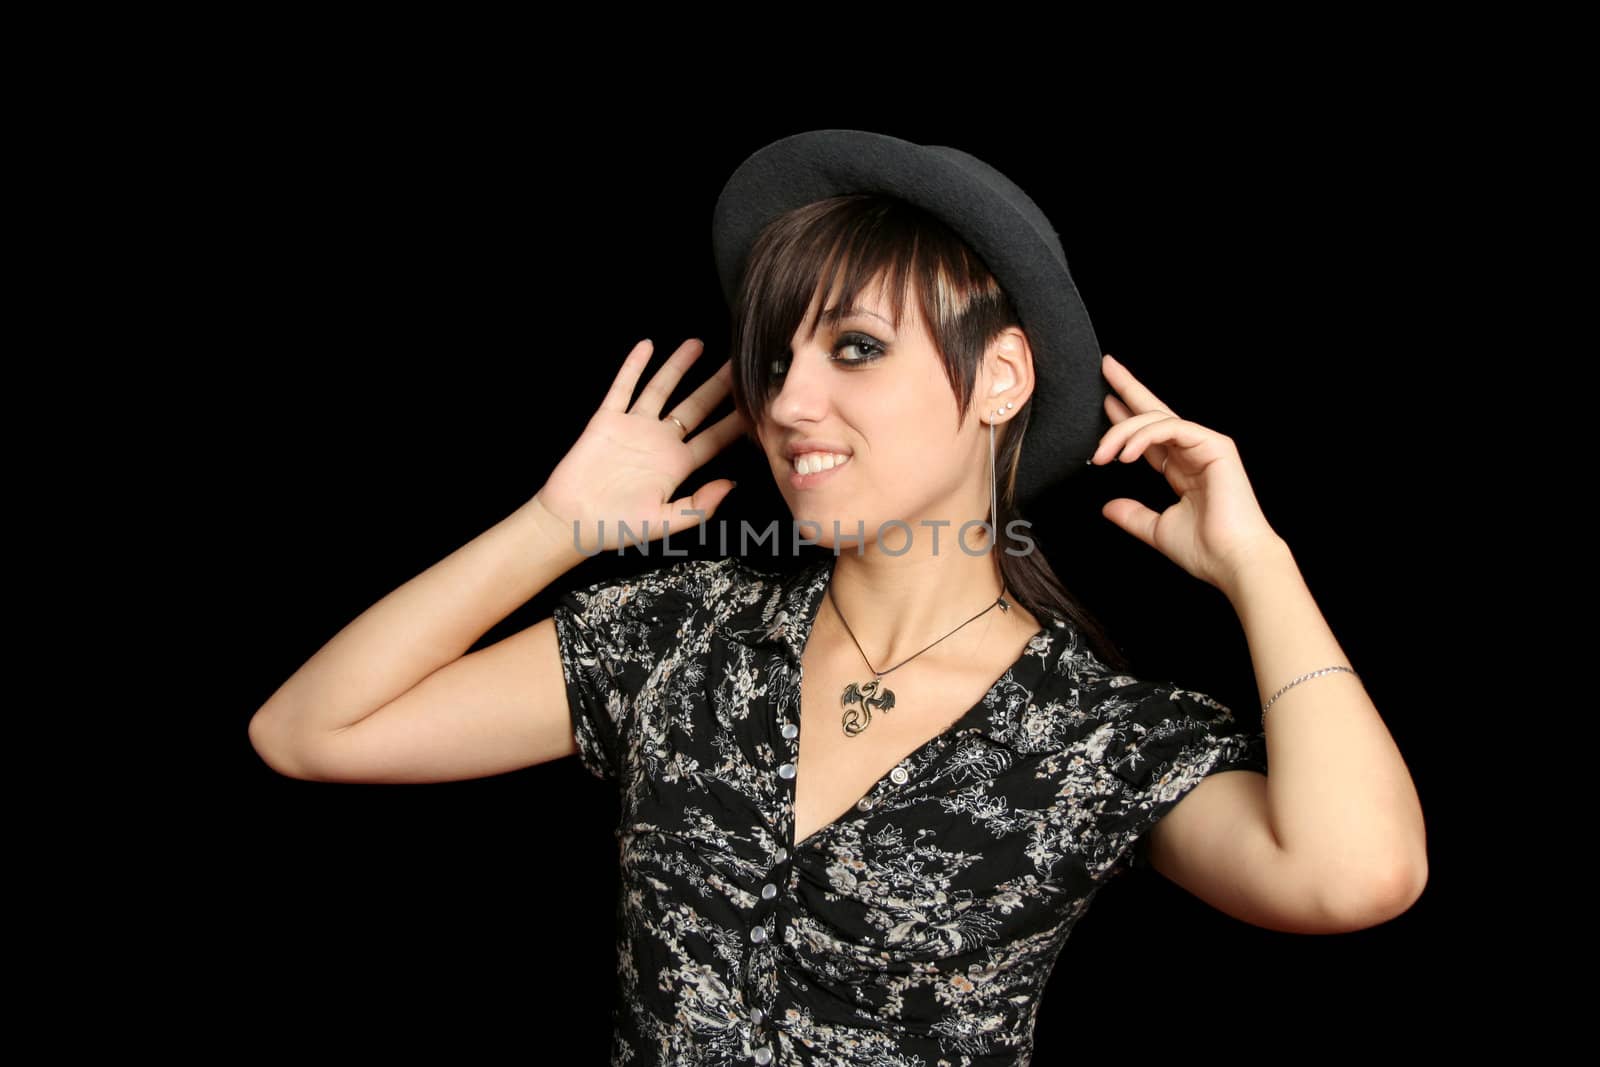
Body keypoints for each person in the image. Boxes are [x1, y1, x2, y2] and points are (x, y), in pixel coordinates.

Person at [248, 131, 1427, 1065]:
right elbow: (310, 732)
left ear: (1000, 376)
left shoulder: (1092, 737)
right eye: (775, 360)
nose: (788, 404)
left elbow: (1353, 874)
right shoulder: (683, 633)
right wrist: (555, 525)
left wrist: (1260, 563)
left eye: (854, 348)